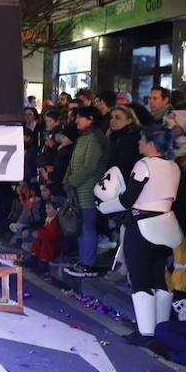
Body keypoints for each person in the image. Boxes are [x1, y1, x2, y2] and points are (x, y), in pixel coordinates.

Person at [101, 124, 182, 345]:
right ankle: (161, 330)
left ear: (151, 144)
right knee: (159, 276)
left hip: (143, 225)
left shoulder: (144, 164)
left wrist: (104, 206)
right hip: (167, 225)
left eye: (142, 139)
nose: (139, 143)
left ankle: (145, 333)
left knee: (139, 278)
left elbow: (128, 199)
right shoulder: (174, 166)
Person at [62, 106, 110, 278]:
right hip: (78, 189)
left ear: (90, 118)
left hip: (88, 189)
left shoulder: (95, 138)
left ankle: (88, 263)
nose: (77, 121)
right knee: (81, 227)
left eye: (80, 118)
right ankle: (83, 260)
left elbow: (89, 166)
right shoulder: (85, 137)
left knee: (87, 227)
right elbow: (73, 163)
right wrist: (68, 179)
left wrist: (72, 181)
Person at [107, 104, 142, 179]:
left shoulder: (134, 139)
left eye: (117, 118)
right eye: (111, 117)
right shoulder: (113, 137)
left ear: (129, 120)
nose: (112, 120)